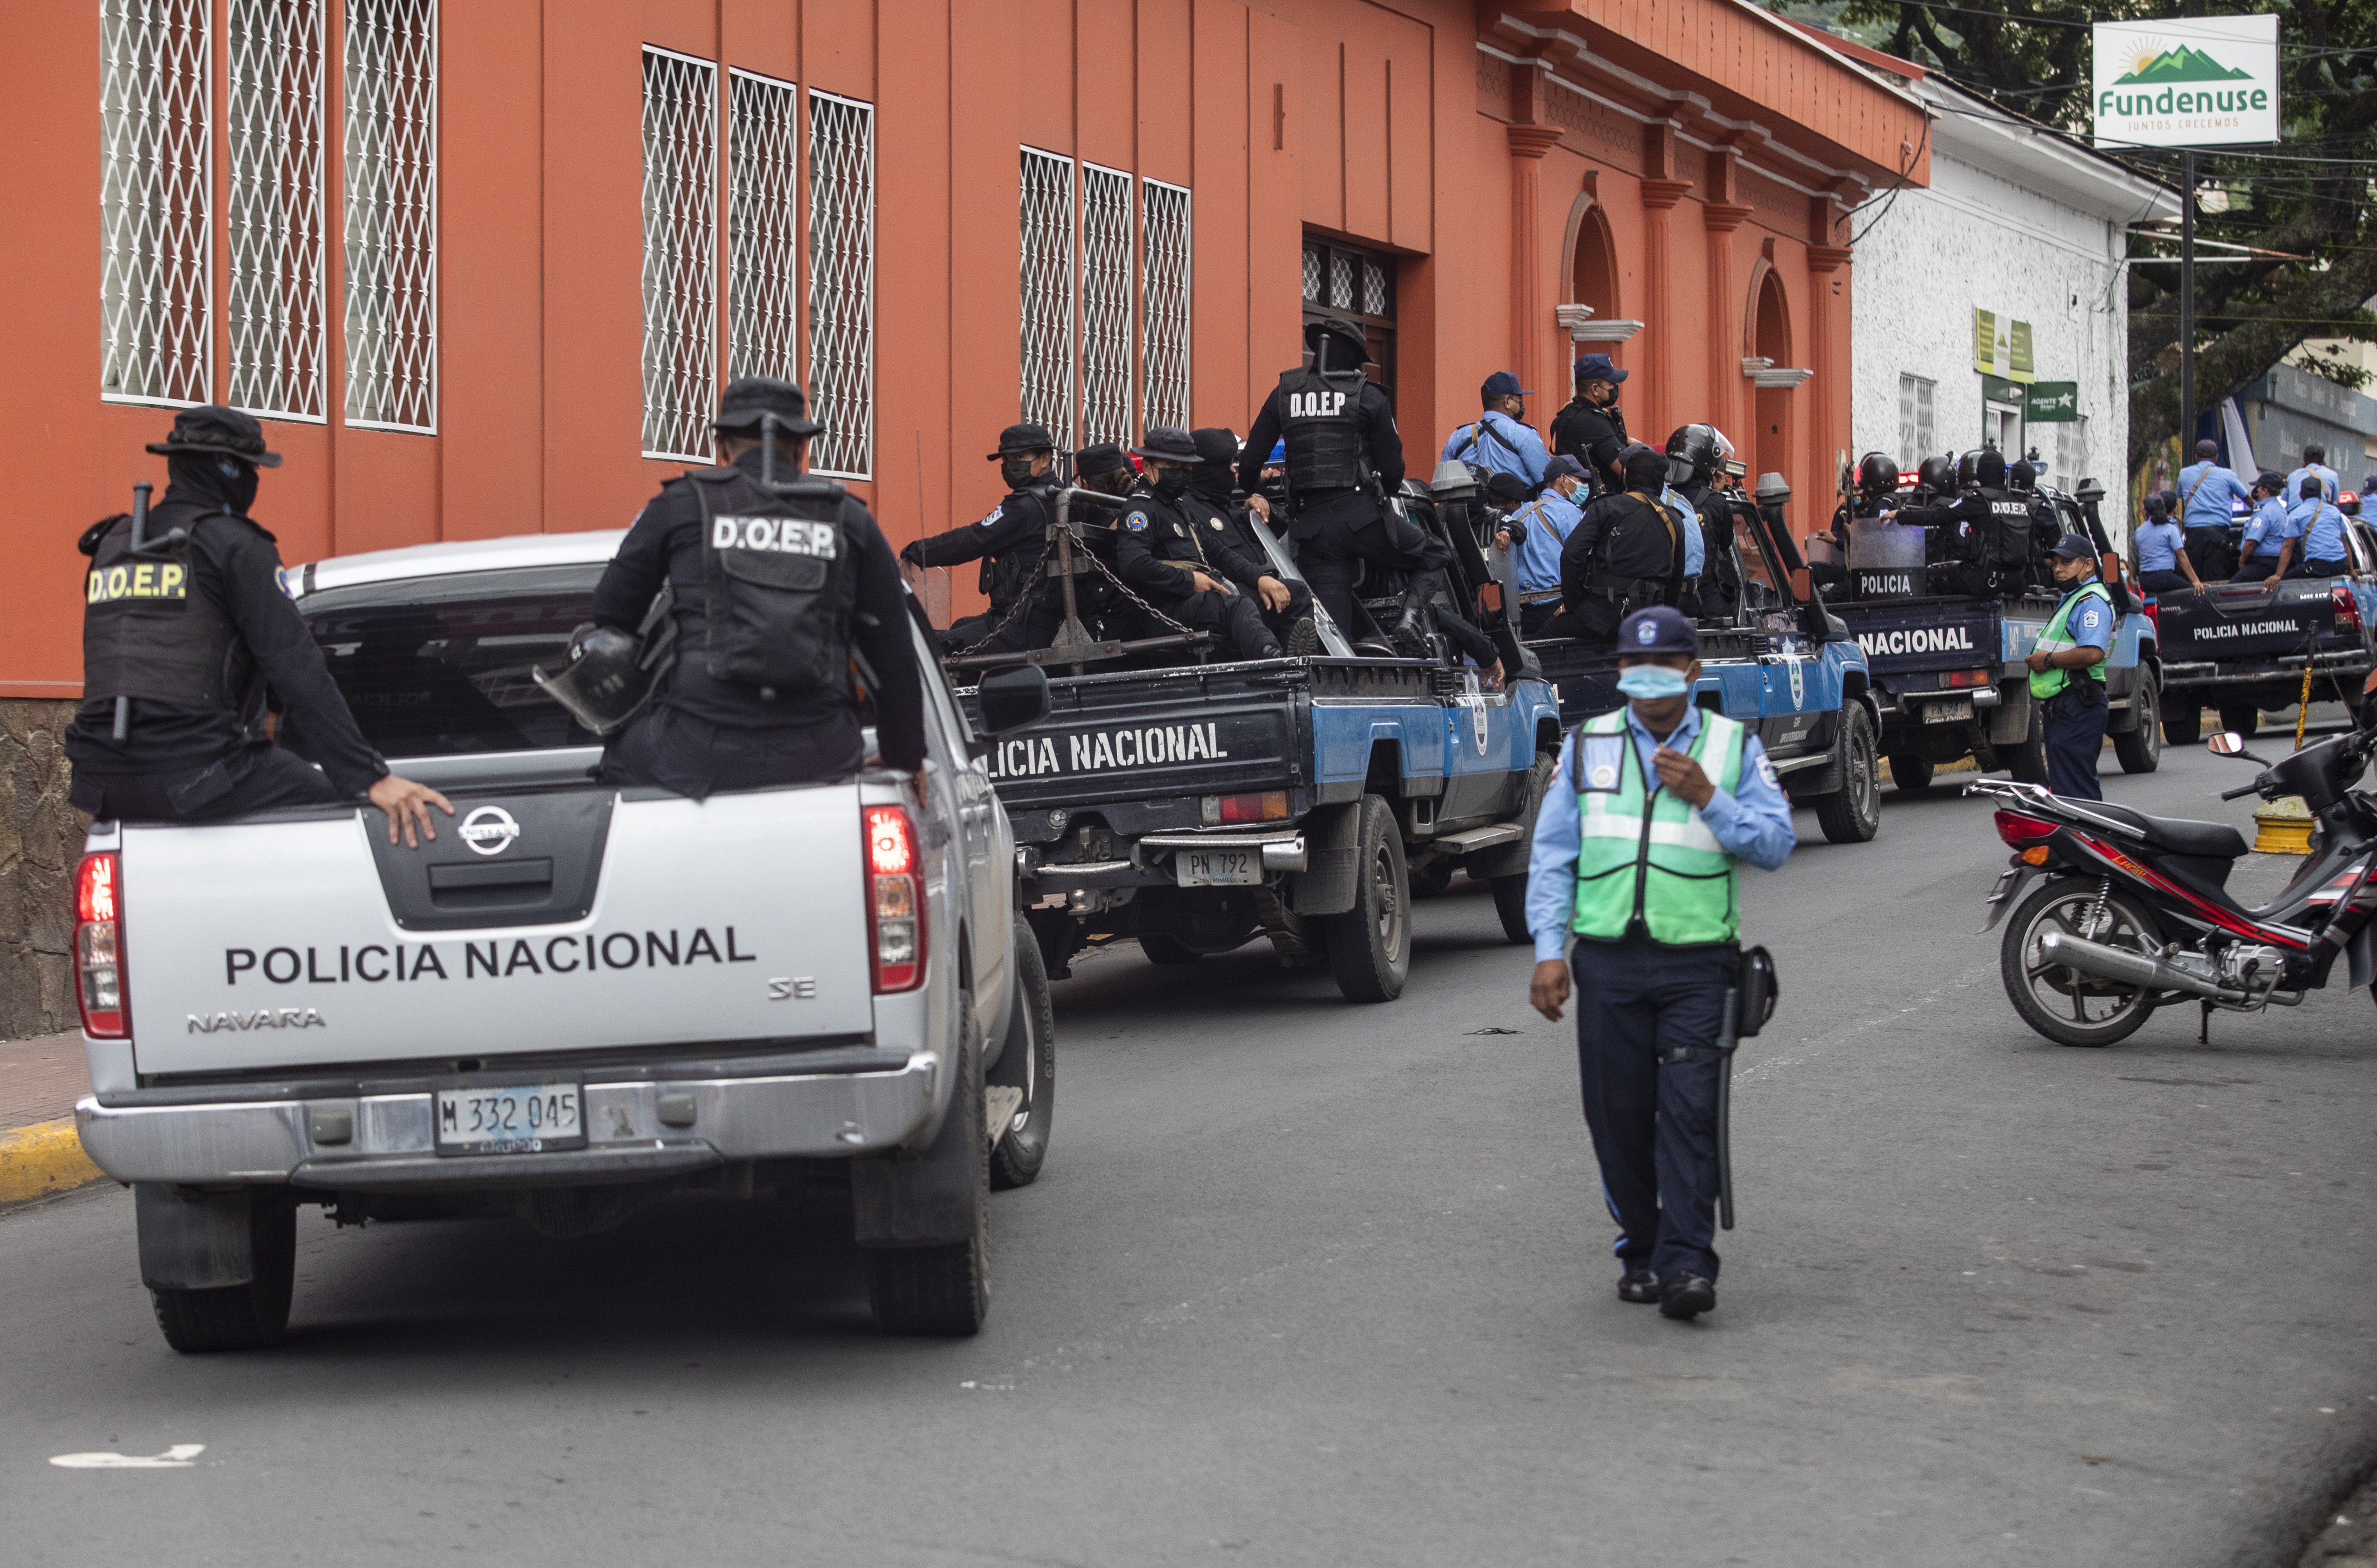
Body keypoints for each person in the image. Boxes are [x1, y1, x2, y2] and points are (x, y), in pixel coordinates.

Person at [1524, 605, 1794, 1321]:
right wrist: (1551, 951)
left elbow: (1774, 843)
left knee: (1689, 1114)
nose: (1648, 682)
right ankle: (1640, 1248)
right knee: (1616, 1118)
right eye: (1633, 668)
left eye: (1665, 667)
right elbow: (1553, 857)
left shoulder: (1733, 748)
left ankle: (1686, 1265)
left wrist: (1710, 796)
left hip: (1699, 964)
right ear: (1620, 673)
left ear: (1692, 671)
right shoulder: (1587, 746)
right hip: (1608, 962)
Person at [64, 406, 451, 846]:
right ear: (228, 469)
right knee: (343, 813)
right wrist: (369, 776)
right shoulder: (236, 545)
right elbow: (297, 669)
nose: (254, 481)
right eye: (250, 469)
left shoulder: (113, 544)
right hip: (195, 775)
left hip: (102, 784)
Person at [592, 376, 924, 798]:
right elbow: (893, 650)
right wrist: (905, 757)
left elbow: (611, 612)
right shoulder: (851, 520)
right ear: (801, 449)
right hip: (821, 753)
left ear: (722, 445)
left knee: (613, 760)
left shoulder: (680, 505)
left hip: (698, 751)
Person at [1237, 314, 1434, 638]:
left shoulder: (1284, 393)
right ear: (1354, 359)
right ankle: (1409, 619)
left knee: (1334, 633)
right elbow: (1395, 473)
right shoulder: (1369, 397)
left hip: (1313, 534)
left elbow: (1248, 467)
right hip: (1361, 519)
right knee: (1434, 553)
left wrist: (1255, 485)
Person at [1116, 425, 1311, 661]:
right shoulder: (1141, 509)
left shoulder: (1178, 509)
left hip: (1201, 602)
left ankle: (1299, 664)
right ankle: (1273, 662)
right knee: (1237, 606)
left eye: (1187, 467)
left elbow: (1221, 554)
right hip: (1165, 610)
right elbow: (1133, 563)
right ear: (1147, 468)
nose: (1181, 473)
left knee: (1295, 593)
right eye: (1173, 467)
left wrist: (1261, 578)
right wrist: (1190, 581)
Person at [899, 423, 1060, 652]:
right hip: (1039, 619)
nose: (1010, 465)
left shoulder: (1024, 506)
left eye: (1019, 457)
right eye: (1006, 460)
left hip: (1022, 625)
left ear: (1045, 459)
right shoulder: (1061, 495)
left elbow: (973, 539)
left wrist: (918, 551)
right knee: (960, 626)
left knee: (934, 648)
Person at [1555, 445, 1690, 641]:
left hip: (1601, 618)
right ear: (1659, 482)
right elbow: (1676, 578)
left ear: (1626, 476)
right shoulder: (1674, 520)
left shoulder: (1605, 507)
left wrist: (1573, 602)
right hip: (1650, 621)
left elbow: (1572, 553)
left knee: (1543, 639)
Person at [2026, 535, 2116, 801]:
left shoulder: (2091, 601)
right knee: (2067, 796)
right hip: (2066, 705)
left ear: (2088, 565)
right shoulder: (2074, 597)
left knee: (2079, 797)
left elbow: (2093, 652)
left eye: (2066, 562)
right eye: (2055, 563)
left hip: (2078, 703)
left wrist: (2049, 660)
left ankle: (2090, 842)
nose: (2058, 569)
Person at [1498, 454, 1587, 635]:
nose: (1585, 486)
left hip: (1521, 609)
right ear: (1563, 479)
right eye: (1580, 480)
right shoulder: (1569, 512)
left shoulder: (1520, 512)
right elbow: (1586, 558)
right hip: (1557, 606)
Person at [1442, 372, 1548, 491]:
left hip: (1468, 509)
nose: (1521, 405)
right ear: (1507, 401)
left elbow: (1443, 483)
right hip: (1518, 509)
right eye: (1519, 399)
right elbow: (1548, 482)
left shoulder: (1457, 438)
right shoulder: (1523, 434)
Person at [1548, 353, 1631, 496]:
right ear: (1595, 389)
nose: (1615, 387)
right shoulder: (1593, 422)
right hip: (1598, 505)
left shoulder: (1570, 411)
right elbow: (1626, 470)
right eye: (1611, 383)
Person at [1185, 427, 1267, 561]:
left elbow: (1273, 531)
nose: (1234, 470)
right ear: (1211, 469)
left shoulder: (1223, 504)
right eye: (1229, 464)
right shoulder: (1188, 510)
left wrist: (1259, 504)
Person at [2175, 440, 2252, 548]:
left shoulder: (2184, 473)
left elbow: (2179, 495)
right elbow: (2246, 498)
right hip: (2218, 534)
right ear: (2216, 458)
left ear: (2196, 457)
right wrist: (2259, 510)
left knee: (2193, 565)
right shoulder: (2227, 475)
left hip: (2193, 534)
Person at [2233, 478, 2300, 585]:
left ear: (2265, 491)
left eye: (2257, 487)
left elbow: (2251, 543)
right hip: (2275, 562)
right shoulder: (2279, 508)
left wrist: (2242, 561)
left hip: (2264, 563)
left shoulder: (2264, 511)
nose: (2254, 490)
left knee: (2234, 587)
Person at [2132, 492, 2200, 595]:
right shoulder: (2170, 529)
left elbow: (2138, 554)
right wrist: (2195, 581)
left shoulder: (2138, 532)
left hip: (2145, 581)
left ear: (2146, 512)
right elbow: (2181, 556)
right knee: (2192, 592)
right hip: (2164, 579)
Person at [2288, 476, 2350, 578]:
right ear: (2321, 494)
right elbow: (2345, 543)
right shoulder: (2335, 512)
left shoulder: (2295, 515)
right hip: (2341, 566)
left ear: (2300, 495)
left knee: (2285, 582)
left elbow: (2288, 547)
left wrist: (2278, 575)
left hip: (2317, 567)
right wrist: (2351, 571)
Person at [2286, 443, 2340, 508]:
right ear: (2324, 464)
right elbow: (2335, 503)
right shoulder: (2333, 476)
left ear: (2303, 463)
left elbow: (2285, 501)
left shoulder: (2292, 476)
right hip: (2321, 515)